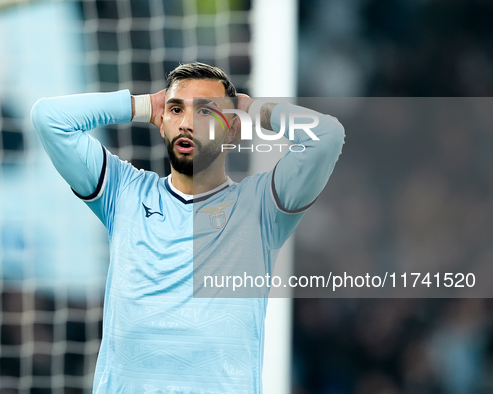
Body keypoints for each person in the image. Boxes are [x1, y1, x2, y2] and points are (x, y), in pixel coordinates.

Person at [31, 62, 345, 393]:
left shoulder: (261, 207)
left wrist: (250, 108)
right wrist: (143, 104)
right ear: (162, 122)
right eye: (177, 109)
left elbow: (328, 136)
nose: (187, 123)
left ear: (233, 130)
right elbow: (49, 119)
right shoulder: (122, 191)